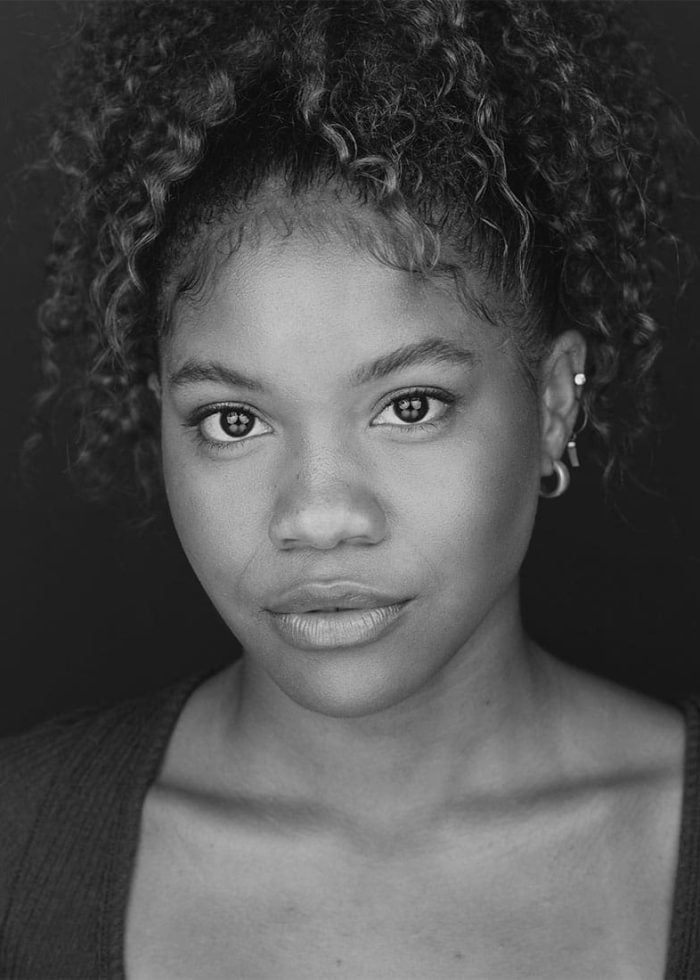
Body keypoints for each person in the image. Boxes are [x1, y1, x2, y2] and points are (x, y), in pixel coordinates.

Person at [1, 1, 697, 977]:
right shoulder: (18, 852)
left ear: (550, 401)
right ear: (162, 416)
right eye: (233, 420)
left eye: (409, 404)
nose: (318, 515)